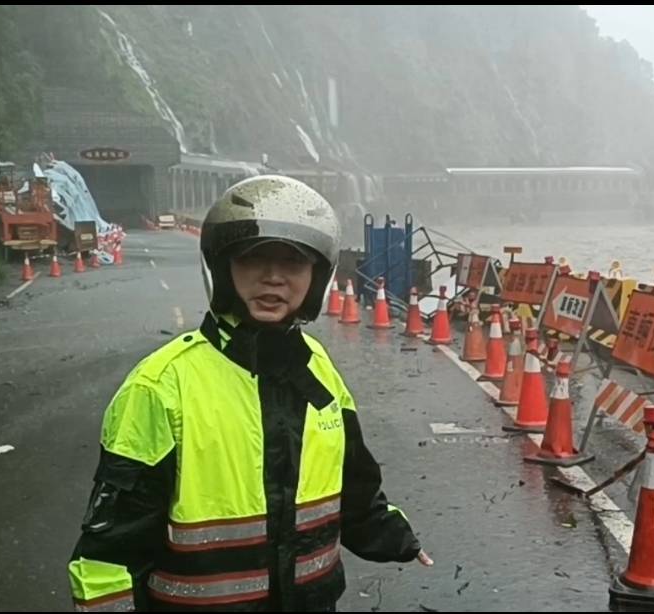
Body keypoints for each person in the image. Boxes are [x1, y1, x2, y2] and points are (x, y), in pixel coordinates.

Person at [68, 175, 432, 612]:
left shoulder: (316, 366)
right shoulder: (162, 385)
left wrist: (393, 537)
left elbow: (352, 481)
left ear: (316, 278)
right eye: (254, 258)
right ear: (222, 268)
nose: (274, 277)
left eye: (293, 263)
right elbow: (110, 546)